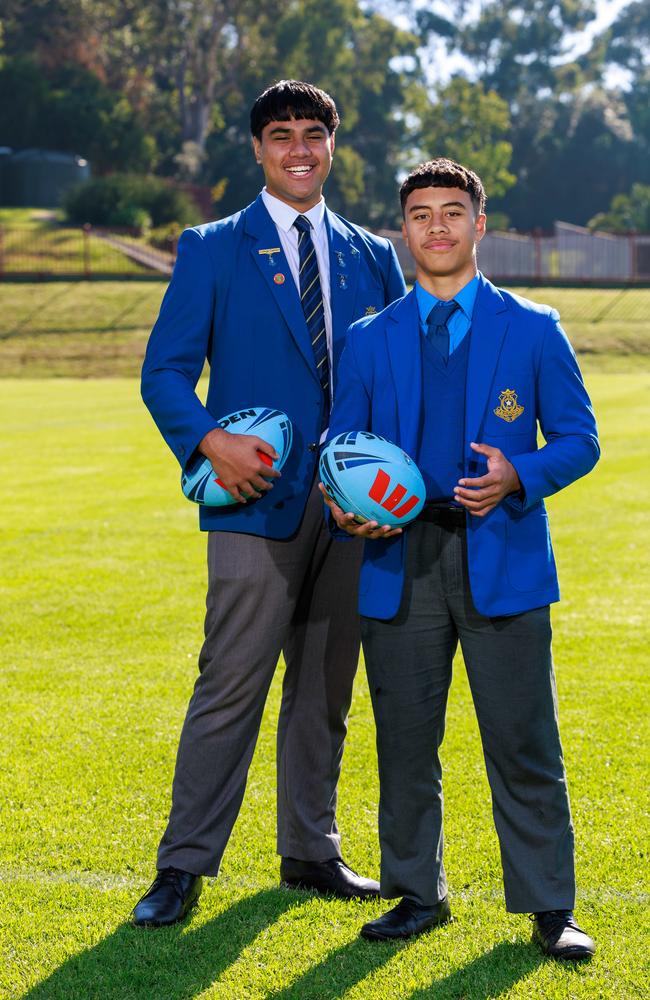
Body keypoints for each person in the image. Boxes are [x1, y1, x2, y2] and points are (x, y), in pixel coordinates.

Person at [134, 80, 406, 927]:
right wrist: (209, 441)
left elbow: (394, 380)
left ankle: (310, 851)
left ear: (332, 145)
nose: (298, 148)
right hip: (253, 506)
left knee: (325, 691)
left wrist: (389, 490)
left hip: (348, 514)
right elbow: (165, 372)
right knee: (230, 685)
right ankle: (182, 866)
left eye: (313, 133)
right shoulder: (213, 247)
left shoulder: (372, 255)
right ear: (257, 148)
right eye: (281, 134)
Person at [321, 158, 599, 960]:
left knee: (522, 739)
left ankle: (551, 908)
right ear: (402, 230)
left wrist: (521, 474)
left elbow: (580, 439)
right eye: (420, 215)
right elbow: (340, 448)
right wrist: (347, 510)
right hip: (398, 560)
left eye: (452, 212)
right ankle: (415, 892)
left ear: (480, 225)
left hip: (502, 553)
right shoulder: (371, 340)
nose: (436, 227)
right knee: (406, 739)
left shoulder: (534, 327)